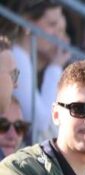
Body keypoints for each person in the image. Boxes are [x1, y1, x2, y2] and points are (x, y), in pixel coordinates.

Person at [3, 0, 68, 144]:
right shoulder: (15, 57)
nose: (58, 35)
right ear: (27, 24)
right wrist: (55, 67)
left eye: (60, 27)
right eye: (52, 25)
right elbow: (40, 124)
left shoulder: (23, 57)